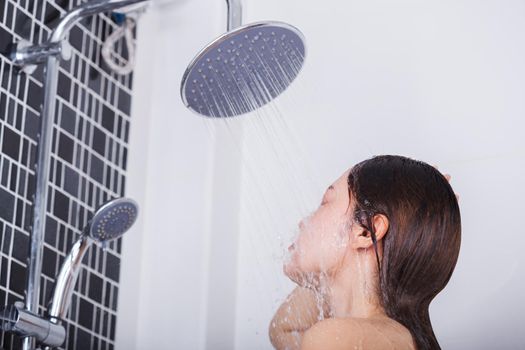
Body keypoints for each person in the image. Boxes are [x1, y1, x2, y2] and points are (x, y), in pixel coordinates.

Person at [269, 155, 461, 350]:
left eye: (325, 202)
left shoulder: (334, 339)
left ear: (366, 231)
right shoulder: (388, 336)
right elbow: (283, 330)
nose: (304, 222)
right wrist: (413, 230)